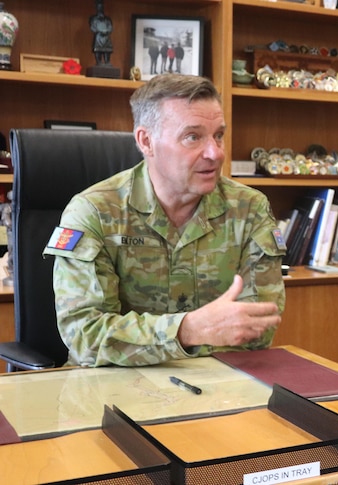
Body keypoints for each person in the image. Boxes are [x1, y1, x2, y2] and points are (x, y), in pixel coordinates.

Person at [44, 74, 287, 367]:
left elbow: (258, 328)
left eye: (218, 135)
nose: (215, 153)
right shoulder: (94, 212)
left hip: (217, 385)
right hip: (110, 387)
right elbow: (86, 336)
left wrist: (154, 342)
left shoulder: (250, 209)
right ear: (147, 141)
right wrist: (187, 331)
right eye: (193, 137)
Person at [89, 0, 113, 65]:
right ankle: (99, 62)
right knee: (98, 50)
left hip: (106, 37)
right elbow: (92, 27)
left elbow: (110, 27)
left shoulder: (107, 19)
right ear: (96, 8)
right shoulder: (93, 18)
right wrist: (99, 31)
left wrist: (106, 31)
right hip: (98, 37)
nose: (100, 8)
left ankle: (107, 62)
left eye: (101, 7)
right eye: (99, 7)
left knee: (107, 50)